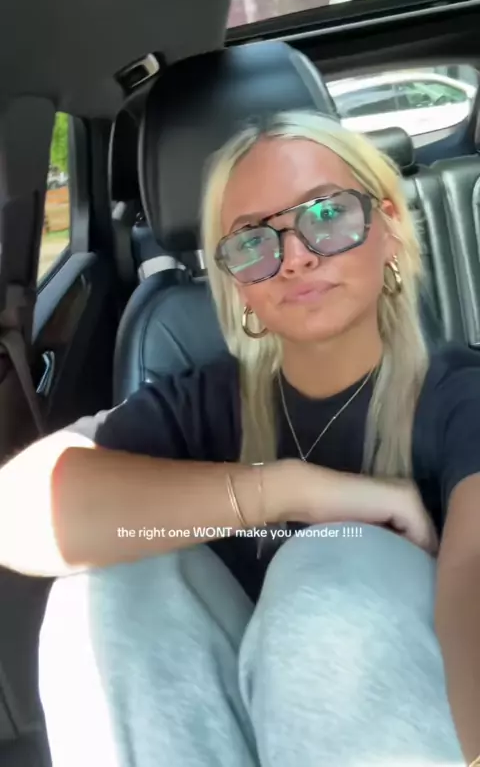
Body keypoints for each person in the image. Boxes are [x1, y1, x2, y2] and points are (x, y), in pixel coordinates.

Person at [1, 110, 480, 767]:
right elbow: (20, 514)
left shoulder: (459, 396)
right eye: (253, 242)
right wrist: (288, 491)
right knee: (104, 582)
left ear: (389, 228)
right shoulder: (203, 403)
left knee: (332, 561)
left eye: (326, 214)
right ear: (235, 283)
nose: (296, 257)